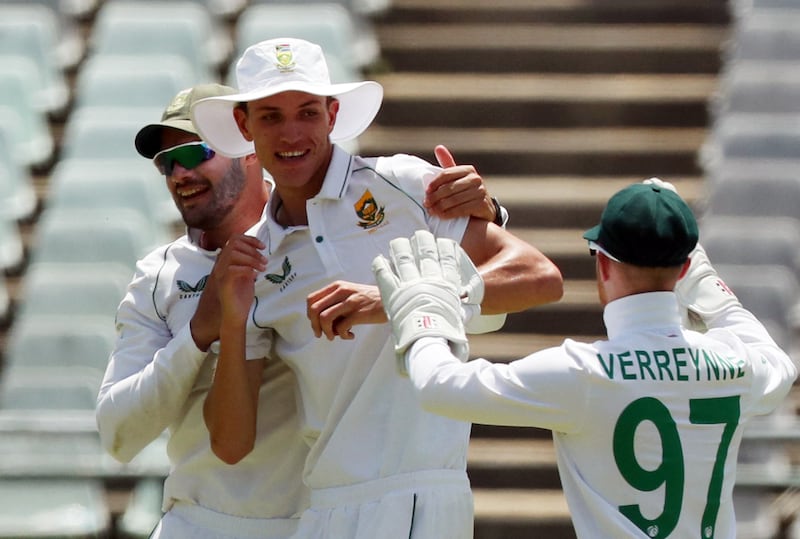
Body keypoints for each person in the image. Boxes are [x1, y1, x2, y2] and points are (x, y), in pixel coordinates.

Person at [190, 37, 564, 538]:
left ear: (332, 114)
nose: (291, 133)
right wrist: (233, 323)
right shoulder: (252, 257)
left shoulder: (403, 184)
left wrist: (392, 301)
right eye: (271, 116)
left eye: (307, 112)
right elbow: (231, 445)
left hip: (424, 495)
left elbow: (538, 277)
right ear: (245, 125)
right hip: (323, 508)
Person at [95, 82, 504, 539]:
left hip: (324, 522)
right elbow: (118, 433)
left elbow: (484, 312)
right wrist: (198, 335)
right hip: (199, 523)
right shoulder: (158, 277)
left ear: (245, 143)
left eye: (193, 155)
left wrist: (477, 221)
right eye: (166, 163)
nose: (178, 174)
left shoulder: (336, 228)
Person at [372, 180, 799, 538]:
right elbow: (777, 362)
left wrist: (425, 313)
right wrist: (709, 287)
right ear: (684, 269)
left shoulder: (582, 372)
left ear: (604, 265)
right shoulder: (735, 364)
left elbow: (439, 386)